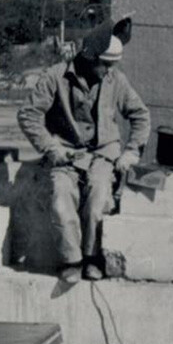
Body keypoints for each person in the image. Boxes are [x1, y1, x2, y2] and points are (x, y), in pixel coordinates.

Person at [17, 18, 150, 282]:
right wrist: (50, 146)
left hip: (103, 154)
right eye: (105, 64)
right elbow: (28, 115)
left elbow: (140, 115)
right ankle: (72, 259)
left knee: (99, 197)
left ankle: (92, 258)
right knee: (60, 196)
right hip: (65, 154)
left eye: (113, 65)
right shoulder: (54, 77)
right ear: (89, 58)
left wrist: (131, 151)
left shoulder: (116, 80)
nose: (109, 70)